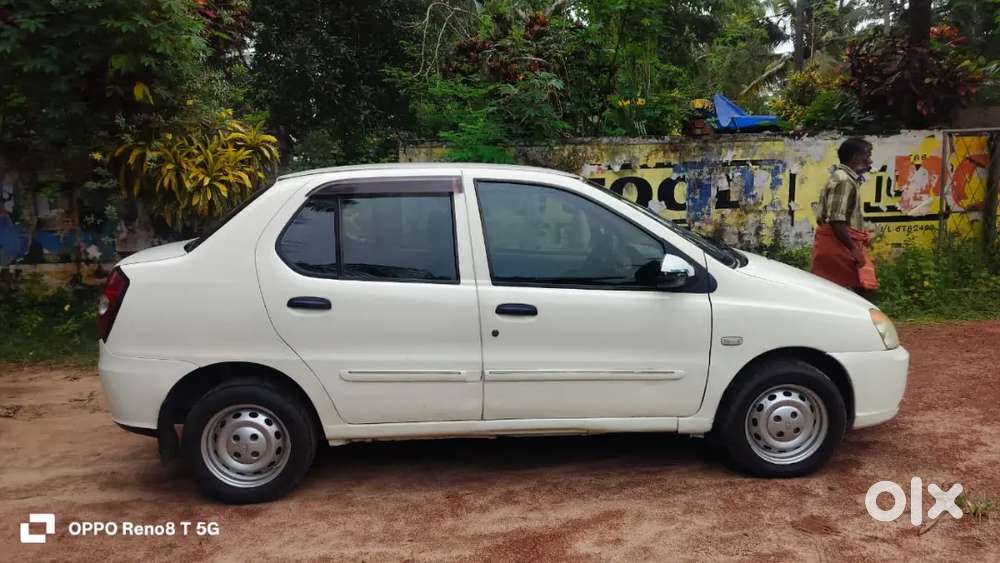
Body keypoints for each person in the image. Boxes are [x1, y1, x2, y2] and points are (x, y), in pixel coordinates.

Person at [811, 138, 877, 300]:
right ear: (855, 157)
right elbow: (837, 220)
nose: (870, 160)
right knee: (856, 293)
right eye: (867, 155)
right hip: (839, 246)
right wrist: (853, 249)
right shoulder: (844, 181)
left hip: (839, 243)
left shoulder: (845, 178)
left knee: (837, 293)